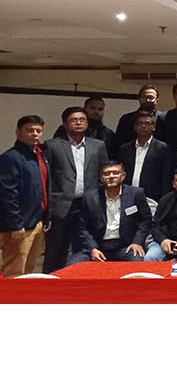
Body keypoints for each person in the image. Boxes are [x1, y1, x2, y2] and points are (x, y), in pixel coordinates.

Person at [44, 106, 109, 273]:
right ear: (65, 124)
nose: (79, 123)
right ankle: (50, 283)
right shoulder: (53, 146)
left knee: (87, 247)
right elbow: (47, 178)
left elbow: (104, 174)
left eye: (82, 120)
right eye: (74, 120)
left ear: (87, 123)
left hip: (89, 204)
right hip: (62, 205)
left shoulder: (98, 145)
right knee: (56, 249)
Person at [70, 160, 151, 263]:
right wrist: (92, 248)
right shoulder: (90, 197)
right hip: (98, 245)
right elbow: (82, 227)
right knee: (73, 265)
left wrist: (137, 242)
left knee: (137, 262)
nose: (111, 176)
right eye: (106, 174)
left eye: (116, 173)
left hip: (125, 245)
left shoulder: (136, 194)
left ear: (123, 176)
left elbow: (145, 220)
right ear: (101, 177)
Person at [0, 115, 50, 277]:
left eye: (38, 131)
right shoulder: (10, 158)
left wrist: (45, 218)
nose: (35, 134)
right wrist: (15, 224)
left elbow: (42, 188)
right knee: (14, 271)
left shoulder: (39, 155)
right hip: (19, 226)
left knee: (30, 271)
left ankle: (23, 301)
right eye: (29, 130)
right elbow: (8, 194)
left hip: (37, 222)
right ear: (18, 132)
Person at [118, 110, 172, 202]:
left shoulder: (163, 148)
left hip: (152, 198)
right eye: (140, 123)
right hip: (127, 197)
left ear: (154, 127)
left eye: (147, 123)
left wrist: (164, 201)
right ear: (135, 127)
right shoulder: (125, 149)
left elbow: (166, 177)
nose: (143, 126)